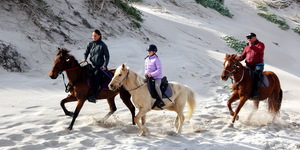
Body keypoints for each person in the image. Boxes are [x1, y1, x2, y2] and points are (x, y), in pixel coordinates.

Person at [82, 29, 110, 103]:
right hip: (92, 65)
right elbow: (86, 52)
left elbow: (107, 56)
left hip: (100, 66)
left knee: (96, 77)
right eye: (92, 36)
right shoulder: (90, 44)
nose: (93, 37)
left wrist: (105, 65)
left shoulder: (103, 45)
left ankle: (94, 96)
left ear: (99, 36)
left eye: (95, 36)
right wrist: (85, 58)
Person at [237, 33, 265, 98]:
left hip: (258, 65)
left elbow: (260, 51)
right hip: (248, 65)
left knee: (256, 74)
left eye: (250, 37)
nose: (249, 39)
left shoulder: (260, 44)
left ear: (255, 37)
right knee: (241, 74)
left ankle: (255, 92)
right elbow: (243, 56)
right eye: (248, 38)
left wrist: (251, 46)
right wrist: (238, 58)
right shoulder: (247, 47)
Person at [145, 44, 165, 109]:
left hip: (157, 77)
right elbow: (146, 69)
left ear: (154, 52)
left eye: (150, 51)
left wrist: (151, 74)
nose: (149, 52)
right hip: (149, 77)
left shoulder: (157, 60)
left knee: (157, 87)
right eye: (148, 51)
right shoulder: (146, 59)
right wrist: (146, 74)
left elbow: (159, 70)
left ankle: (160, 100)